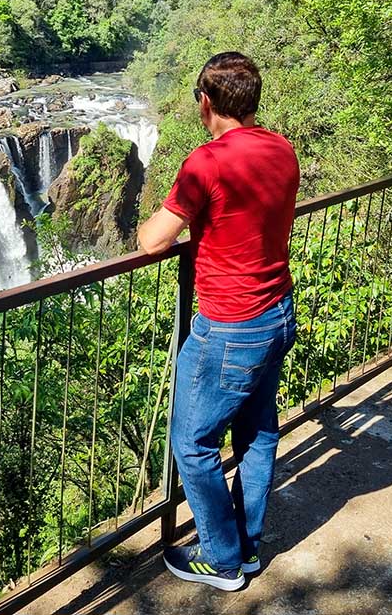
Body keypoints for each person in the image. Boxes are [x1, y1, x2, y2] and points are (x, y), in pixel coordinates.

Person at [137, 52, 300, 591]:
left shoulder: (206, 162)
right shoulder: (281, 149)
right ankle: (246, 550)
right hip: (278, 311)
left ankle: (221, 559)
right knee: (256, 434)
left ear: (206, 102)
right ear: (252, 101)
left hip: (229, 326)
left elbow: (153, 240)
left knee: (193, 443)